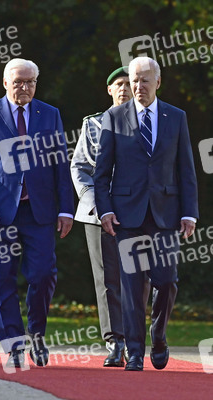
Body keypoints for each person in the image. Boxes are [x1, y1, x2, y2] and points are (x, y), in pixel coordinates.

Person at [0, 58, 74, 368]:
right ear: (5, 83)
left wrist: (66, 208)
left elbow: (60, 166)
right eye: (18, 82)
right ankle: (13, 344)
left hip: (40, 212)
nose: (25, 87)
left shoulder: (49, 114)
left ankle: (36, 336)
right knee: (2, 280)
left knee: (43, 275)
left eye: (30, 82)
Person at [94, 56, 198, 371]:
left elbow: (186, 169)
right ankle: (136, 351)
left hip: (166, 214)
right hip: (127, 216)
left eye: (144, 80)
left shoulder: (176, 117)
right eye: (134, 80)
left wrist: (190, 213)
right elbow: (101, 173)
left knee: (166, 282)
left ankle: (159, 335)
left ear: (158, 82)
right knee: (131, 284)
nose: (138, 86)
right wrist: (106, 210)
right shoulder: (114, 116)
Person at [71, 67, 149, 367]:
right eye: (118, 84)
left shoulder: (147, 123)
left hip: (138, 212)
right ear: (109, 90)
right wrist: (97, 206)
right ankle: (114, 342)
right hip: (97, 214)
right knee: (107, 280)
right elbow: (79, 168)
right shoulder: (92, 125)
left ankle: (135, 341)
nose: (125, 89)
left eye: (129, 84)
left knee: (140, 278)